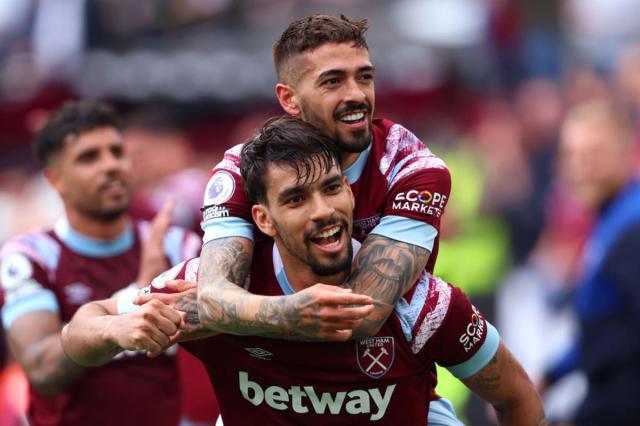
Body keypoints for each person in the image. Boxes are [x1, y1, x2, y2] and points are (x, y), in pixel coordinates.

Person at [62, 116, 545, 425]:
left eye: (332, 188)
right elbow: (80, 334)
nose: (323, 211)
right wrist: (123, 327)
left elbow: (517, 395)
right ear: (263, 220)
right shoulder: (213, 291)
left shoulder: (419, 302)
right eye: (296, 199)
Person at [197, 13, 451, 341]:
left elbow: (359, 316)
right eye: (333, 81)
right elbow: (212, 300)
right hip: (275, 382)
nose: (357, 95)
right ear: (289, 98)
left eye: (364, 77)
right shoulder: (241, 170)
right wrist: (225, 306)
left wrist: (242, 311)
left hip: (387, 378)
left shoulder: (412, 171)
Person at [0, 100, 203, 425]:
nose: (111, 165)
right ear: (55, 180)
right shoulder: (32, 256)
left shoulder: (176, 244)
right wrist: (129, 302)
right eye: (88, 157)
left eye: (117, 152)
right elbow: (42, 370)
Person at [542, 100, 640, 425]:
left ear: (625, 152)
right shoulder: (610, 222)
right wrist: (551, 376)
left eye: (594, 153)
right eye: (572, 155)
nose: (581, 166)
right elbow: (606, 329)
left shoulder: (632, 228)